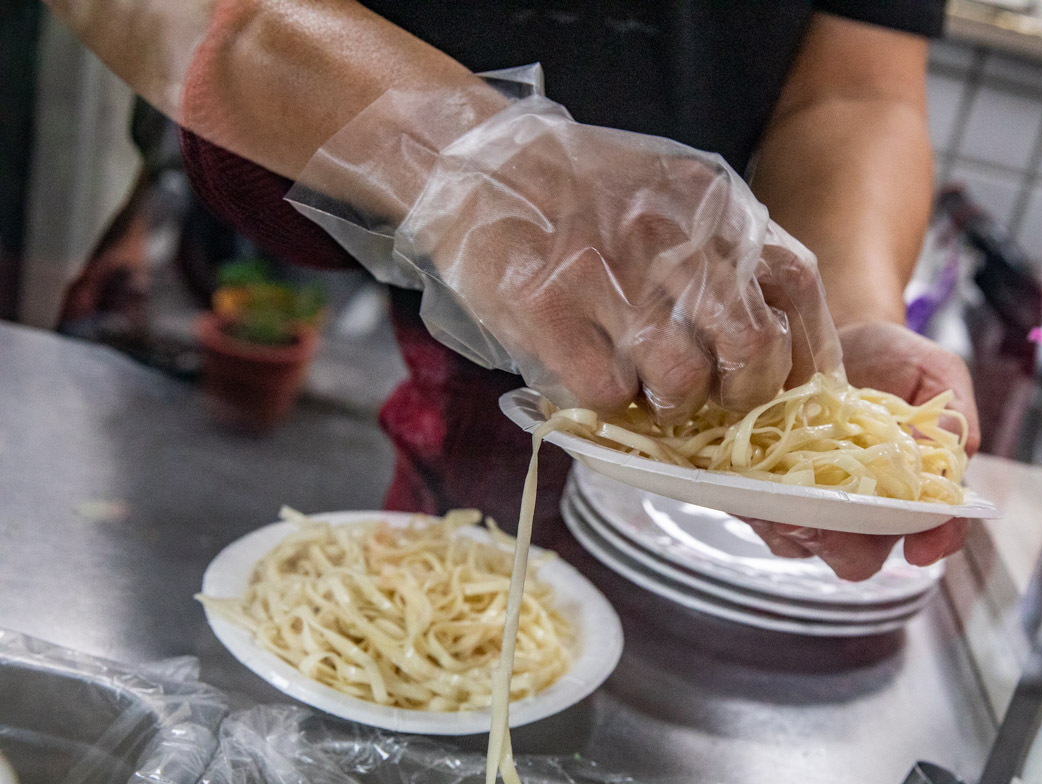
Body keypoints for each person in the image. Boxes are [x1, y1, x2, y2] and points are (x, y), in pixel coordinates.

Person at [44, 0, 978, 579]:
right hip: (239, 298)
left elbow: (855, 93)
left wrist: (836, 333)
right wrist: (477, 160)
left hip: (661, 374)